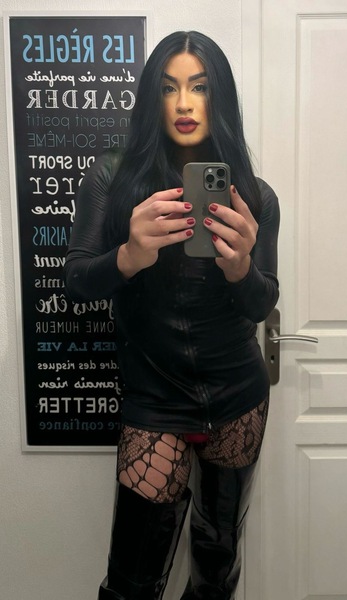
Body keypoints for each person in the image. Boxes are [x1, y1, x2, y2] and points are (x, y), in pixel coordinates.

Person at [64, 30, 280, 600]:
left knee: (216, 564)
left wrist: (241, 268)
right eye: (168, 87)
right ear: (152, 98)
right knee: (131, 582)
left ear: (219, 97)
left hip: (238, 396)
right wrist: (129, 256)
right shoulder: (112, 178)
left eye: (199, 87)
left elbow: (263, 303)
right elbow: (76, 281)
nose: (184, 103)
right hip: (154, 398)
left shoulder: (254, 195)